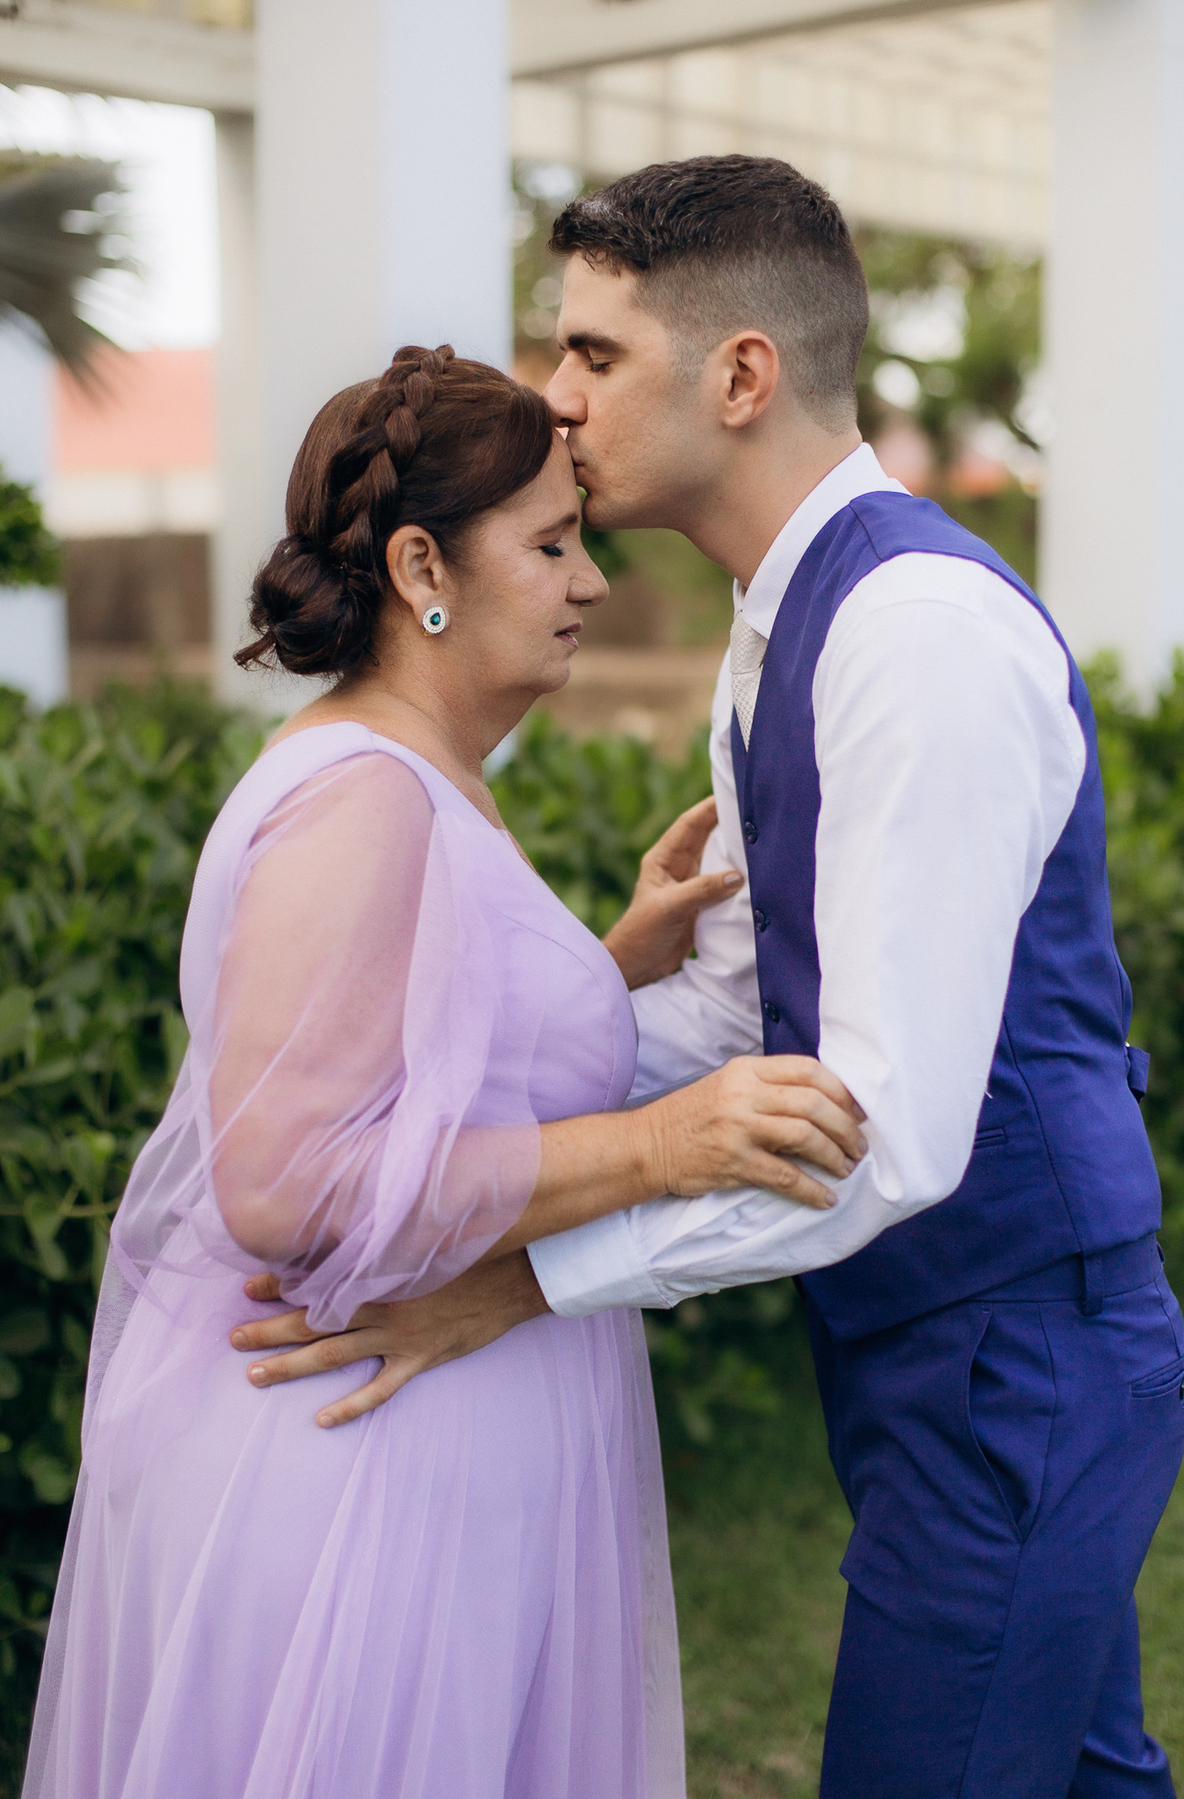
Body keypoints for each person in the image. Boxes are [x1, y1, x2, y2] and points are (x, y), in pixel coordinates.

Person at [239, 161, 1184, 1798]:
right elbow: (752, 1012)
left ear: (741, 375)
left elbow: (879, 1133)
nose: (556, 393)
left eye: (597, 355)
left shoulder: (912, 638)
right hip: (937, 1344)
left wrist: (514, 1280)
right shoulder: (782, 633)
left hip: (1021, 1353)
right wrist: (445, 1102)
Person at [22, 345, 875, 1799]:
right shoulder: (360, 797)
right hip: (364, 1482)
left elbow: (413, 1062)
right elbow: (292, 1183)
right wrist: (666, 1146)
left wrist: (610, 968)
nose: (592, 581)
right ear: (423, 563)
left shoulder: (413, 773)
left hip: (434, 1447)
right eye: (550, 544)